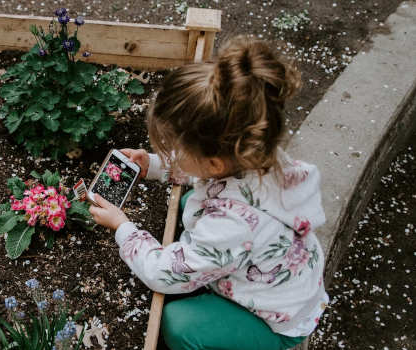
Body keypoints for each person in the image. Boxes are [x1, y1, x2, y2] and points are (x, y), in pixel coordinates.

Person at [88, 36, 329, 350]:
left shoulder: (231, 225)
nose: (171, 151)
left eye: (176, 148)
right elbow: (206, 173)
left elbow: (162, 275)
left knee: (179, 324)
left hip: (274, 320)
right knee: (191, 201)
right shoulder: (258, 156)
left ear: (214, 162)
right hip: (279, 278)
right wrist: (156, 165)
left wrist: (123, 228)